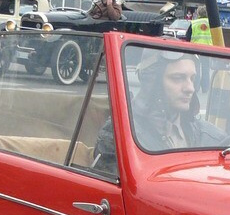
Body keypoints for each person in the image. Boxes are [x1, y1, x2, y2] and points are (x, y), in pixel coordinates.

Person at [92, 50, 222, 174]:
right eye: (178, 78)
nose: (190, 88)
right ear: (154, 82)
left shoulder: (207, 134)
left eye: (192, 79)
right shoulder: (119, 134)